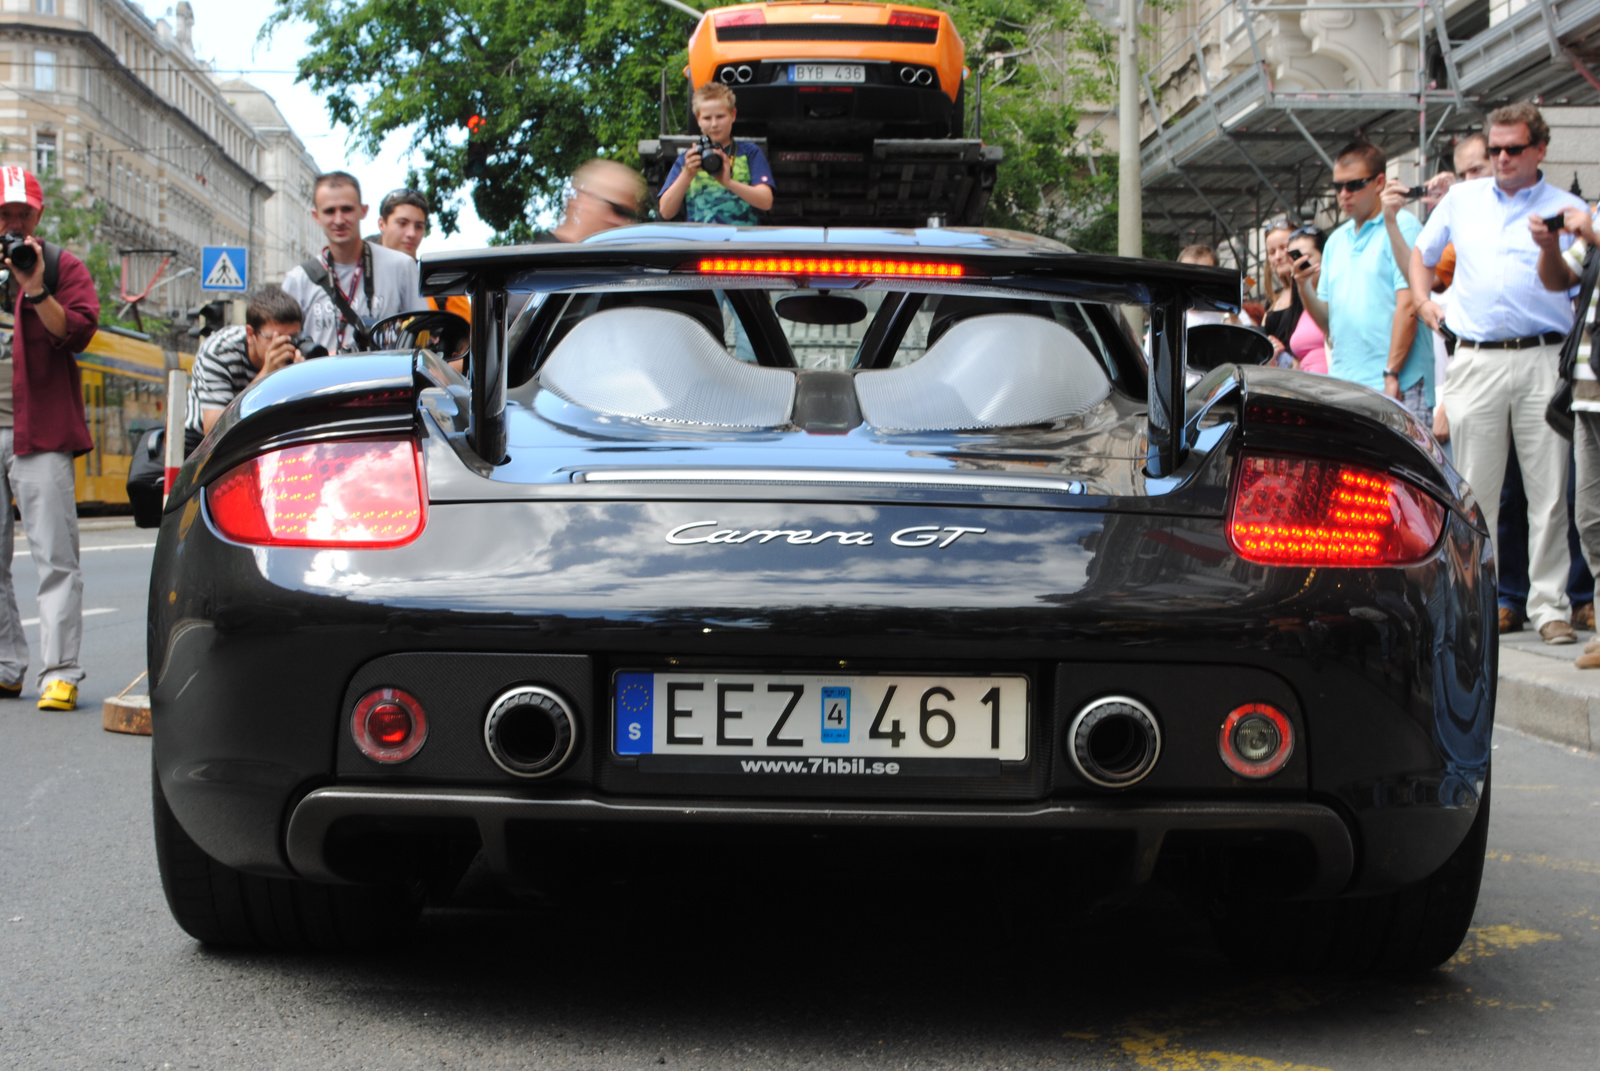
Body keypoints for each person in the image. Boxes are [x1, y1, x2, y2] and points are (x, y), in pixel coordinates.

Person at [1410, 101, 1587, 645]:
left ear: (1540, 149)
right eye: (1494, 149)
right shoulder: (1462, 199)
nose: (1502, 158)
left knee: (1550, 490)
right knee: (1475, 490)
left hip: (1542, 353)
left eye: (1513, 148)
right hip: (1477, 356)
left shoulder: (1567, 206)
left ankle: (1549, 604)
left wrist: (1549, 245)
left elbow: (1568, 284)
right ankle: (1474, 603)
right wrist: (1421, 300)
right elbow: (1422, 252)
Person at [0, 166, 100, 711]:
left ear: (38, 216)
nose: (13, 223)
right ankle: (5, 664)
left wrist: (34, 286)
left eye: (23, 213)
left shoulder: (61, 267)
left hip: (39, 433)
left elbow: (77, 332)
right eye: (4, 213)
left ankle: (59, 671)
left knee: (54, 556)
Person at [1295, 139, 1434, 423]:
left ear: (1379, 181)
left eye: (1354, 184)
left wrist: (1392, 372)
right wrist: (1302, 287)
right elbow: (1329, 325)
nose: (1344, 194)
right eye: (1337, 187)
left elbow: (1409, 304)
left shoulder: (1403, 225)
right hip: (1346, 384)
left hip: (1396, 383)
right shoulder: (1335, 240)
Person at [282, 172, 427, 354]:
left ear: (363, 210)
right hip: (322, 382)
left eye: (347, 209)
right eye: (329, 211)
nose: (339, 220)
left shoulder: (402, 267)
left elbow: (423, 341)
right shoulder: (298, 280)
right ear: (316, 216)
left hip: (385, 380)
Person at [183, 286, 307, 454]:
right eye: (274, 338)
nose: (284, 346)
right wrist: (266, 376)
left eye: (292, 338)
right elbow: (213, 428)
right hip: (202, 445)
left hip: (260, 437)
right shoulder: (219, 351)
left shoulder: (300, 353)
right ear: (250, 334)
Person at [657, 83, 774, 224]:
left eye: (720, 116)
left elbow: (766, 201)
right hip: (701, 244)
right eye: (707, 118)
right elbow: (665, 211)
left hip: (741, 243)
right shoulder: (688, 158)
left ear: (733, 115)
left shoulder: (750, 153)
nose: (714, 124)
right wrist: (687, 174)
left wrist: (729, 183)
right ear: (698, 119)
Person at [546, 159, 647, 243]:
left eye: (631, 216)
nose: (625, 224)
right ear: (582, 200)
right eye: (618, 210)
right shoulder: (536, 261)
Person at [1280, 227, 1328, 374]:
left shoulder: (1338, 296)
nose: (1299, 264)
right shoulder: (1301, 306)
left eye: (1305, 257)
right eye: (1295, 258)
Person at [376, 187, 428, 260]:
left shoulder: (435, 270)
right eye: (402, 223)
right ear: (382, 224)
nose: (412, 233)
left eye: (419, 226)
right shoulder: (359, 269)